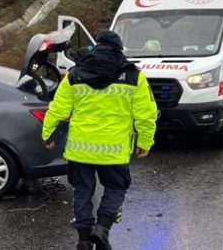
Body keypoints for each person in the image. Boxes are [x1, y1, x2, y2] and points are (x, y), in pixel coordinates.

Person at [42, 31, 158, 250]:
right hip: (113, 150)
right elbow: (146, 114)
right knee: (116, 187)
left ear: (97, 47)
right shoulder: (134, 76)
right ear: (119, 49)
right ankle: (102, 228)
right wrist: (145, 141)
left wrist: (47, 135)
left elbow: (57, 109)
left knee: (82, 191)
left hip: (79, 149)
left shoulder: (74, 75)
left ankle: (84, 240)